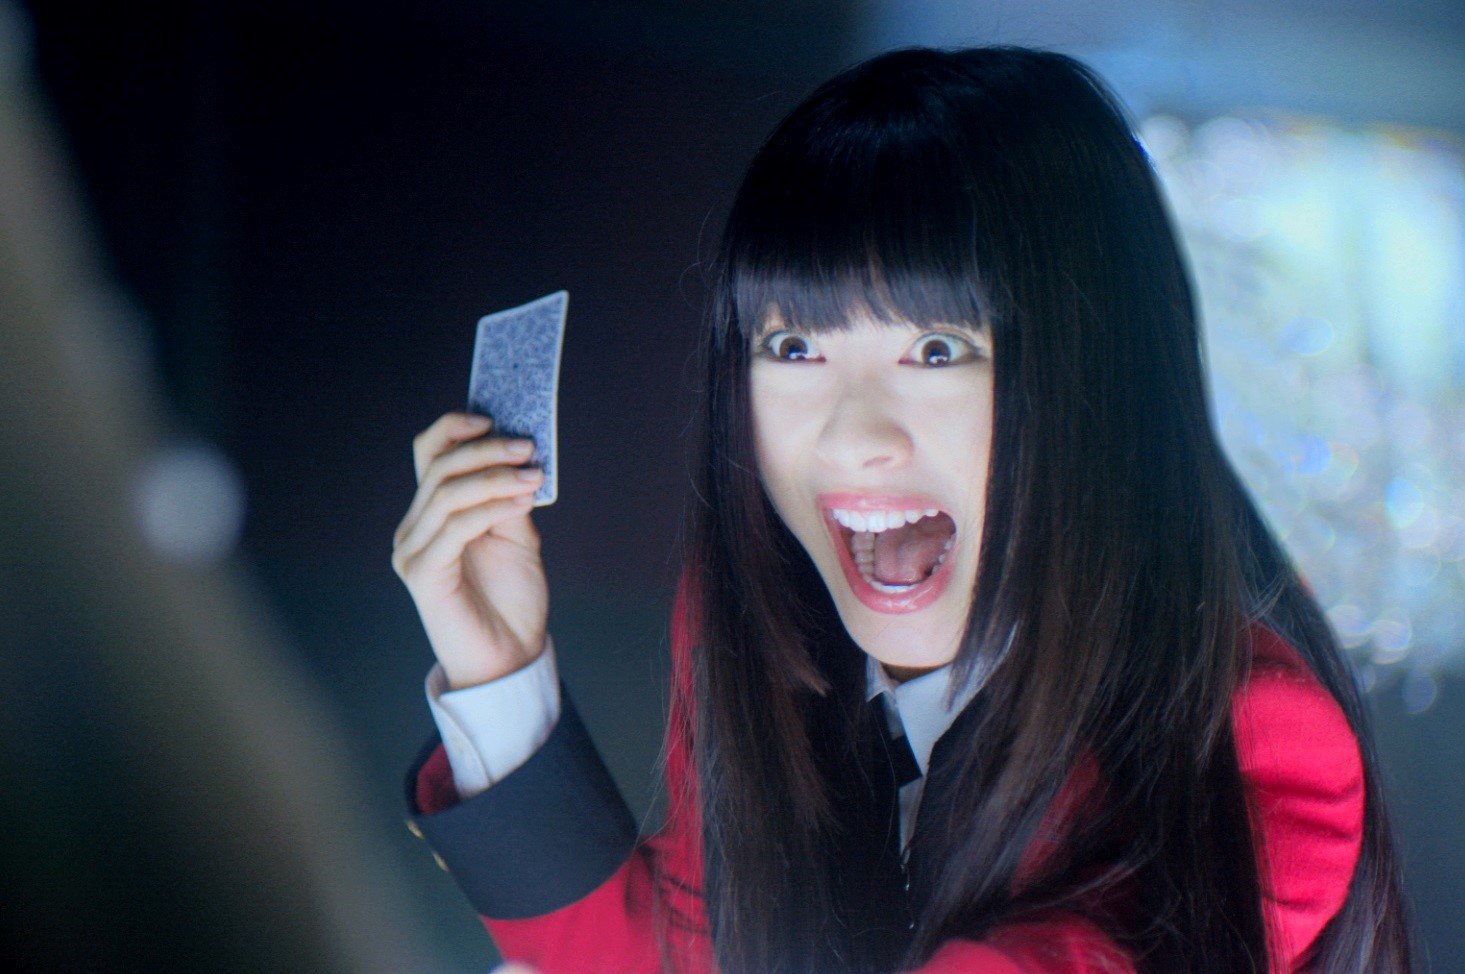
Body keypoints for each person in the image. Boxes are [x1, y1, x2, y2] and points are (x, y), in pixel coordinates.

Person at [390, 45, 1416, 973]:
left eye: (936, 350)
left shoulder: (1246, 732)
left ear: (1094, 383)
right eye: (793, 347)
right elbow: (686, 951)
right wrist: (497, 669)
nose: (850, 436)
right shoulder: (764, 624)